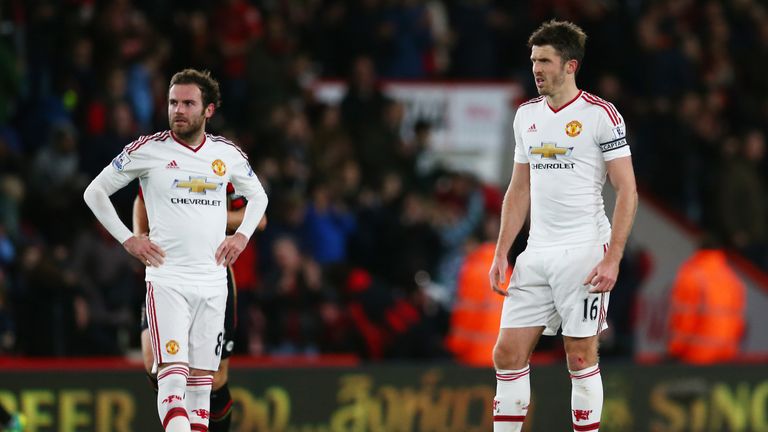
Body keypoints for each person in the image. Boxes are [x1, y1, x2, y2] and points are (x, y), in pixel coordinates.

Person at [83, 69, 268, 432]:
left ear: (208, 110)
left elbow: (259, 200)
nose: (178, 110)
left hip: (214, 281)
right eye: (172, 102)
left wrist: (241, 235)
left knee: (204, 382)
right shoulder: (148, 151)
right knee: (167, 372)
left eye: (187, 103)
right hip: (167, 278)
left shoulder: (224, 156)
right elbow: (96, 192)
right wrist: (131, 239)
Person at [488, 20, 638, 432]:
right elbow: (519, 189)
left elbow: (627, 191)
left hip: (584, 251)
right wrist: (503, 251)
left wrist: (613, 259)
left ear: (570, 66)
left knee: (579, 355)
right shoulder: (526, 117)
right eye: (534, 60)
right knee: (507, 353)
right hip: (536, 251)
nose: (536, 68)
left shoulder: (600, 116)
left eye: (545, 61)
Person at [135, 184, 267, 432]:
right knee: (153, 358)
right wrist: (139, 234)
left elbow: (259, 218)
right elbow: (142, 197)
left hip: (211, 273)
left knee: (213, 379)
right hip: (166, 270)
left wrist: (208, 214)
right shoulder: (158, 153)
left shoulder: (219, 159)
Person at [667, 236, 746, 364]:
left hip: (694, 356)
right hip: (724, 357)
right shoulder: (732, 279)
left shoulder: (691, 276)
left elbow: (684, 319)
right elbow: (738, 322)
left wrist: (675, 350)